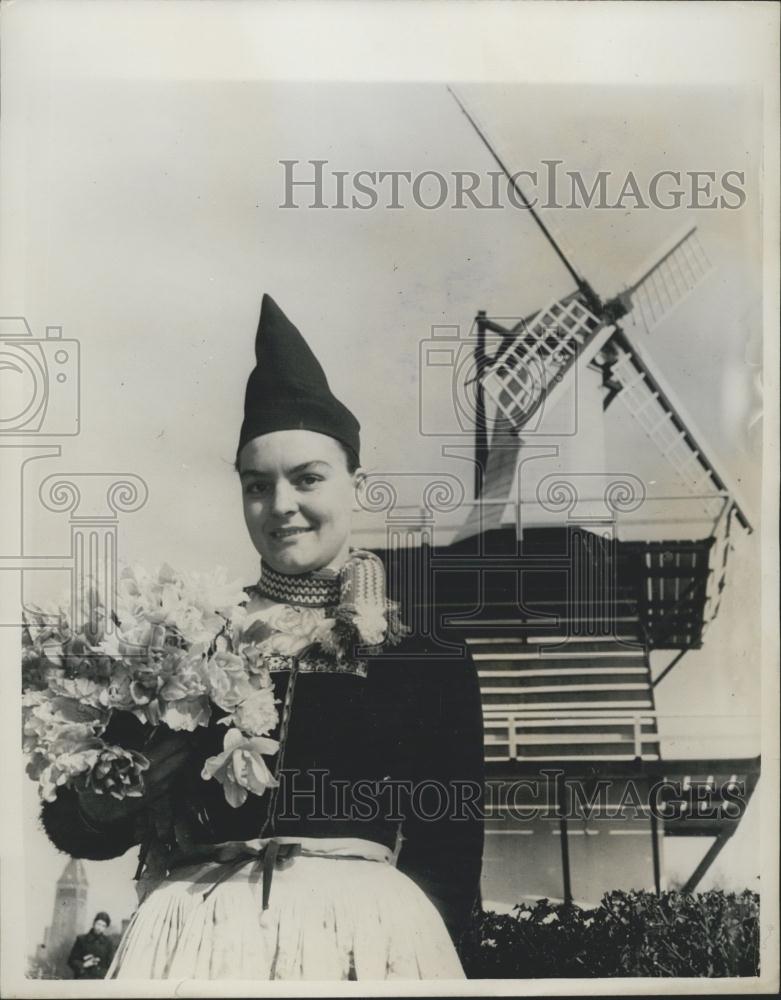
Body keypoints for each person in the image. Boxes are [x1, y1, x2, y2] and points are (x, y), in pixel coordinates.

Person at [40, 294, 485, 980]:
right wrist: (103, 804)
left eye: (308, 478)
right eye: (257, 485)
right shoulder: (186, 636)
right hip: (198, 937)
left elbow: (450, 847)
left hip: (362, 940)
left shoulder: (423, 647)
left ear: (354, 484)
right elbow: (78, 826)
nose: (281, 506)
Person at [67, 912, 115, 979]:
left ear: (105, 928)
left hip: (100, 980)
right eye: (98, 924)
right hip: (83, 978)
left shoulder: (109, 943)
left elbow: (111, 964)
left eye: (103, 926)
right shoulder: (81, 939)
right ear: (94, 923)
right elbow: (71, 960)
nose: (99, 928)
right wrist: (84, 965)